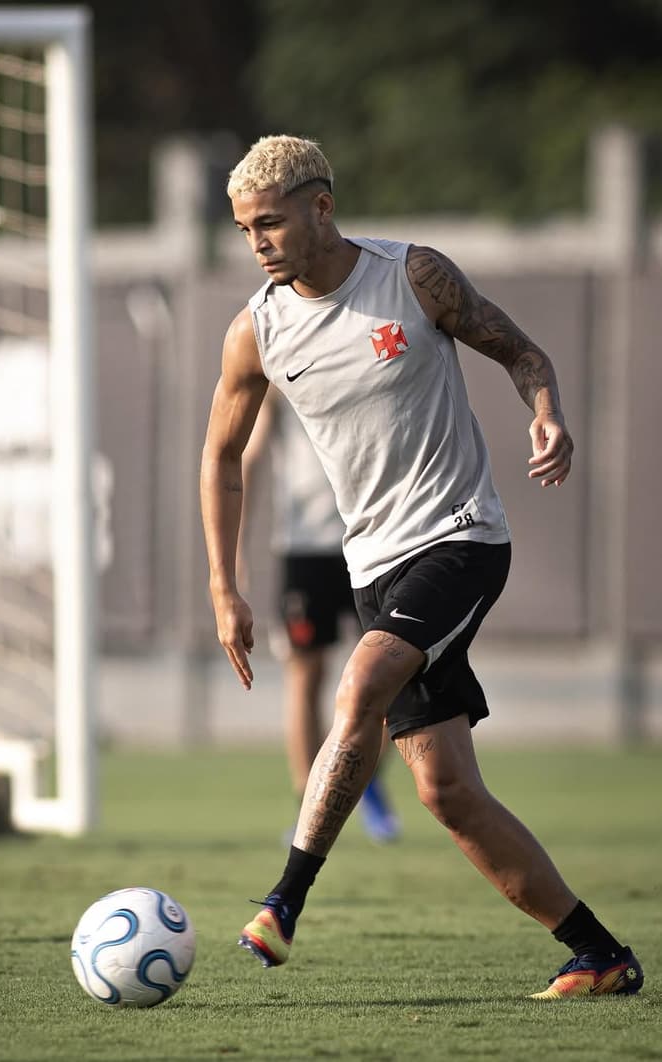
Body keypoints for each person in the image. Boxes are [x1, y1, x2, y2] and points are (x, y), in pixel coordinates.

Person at [199, 134, 643, 999]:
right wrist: (223, 585)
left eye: (270, 222)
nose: (256, 242)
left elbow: (524, 354)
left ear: (321, 208)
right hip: (374, 567)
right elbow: (219, 456)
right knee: (446, 790)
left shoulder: (414, 277)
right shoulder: (256, 330)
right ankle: (599, 955)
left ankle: (283, 903)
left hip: (462, 536)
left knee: (359, 684)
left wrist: (545, 413)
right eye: (244, 228)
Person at [240, 387, 399, 842]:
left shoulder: (366, 345)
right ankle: (308, 803)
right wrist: (236, 547)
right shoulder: (277, 366)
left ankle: (361, 780)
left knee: (393, 675)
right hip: (305, 548)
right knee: (305, 676)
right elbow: (247, 456)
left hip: (375, 539)